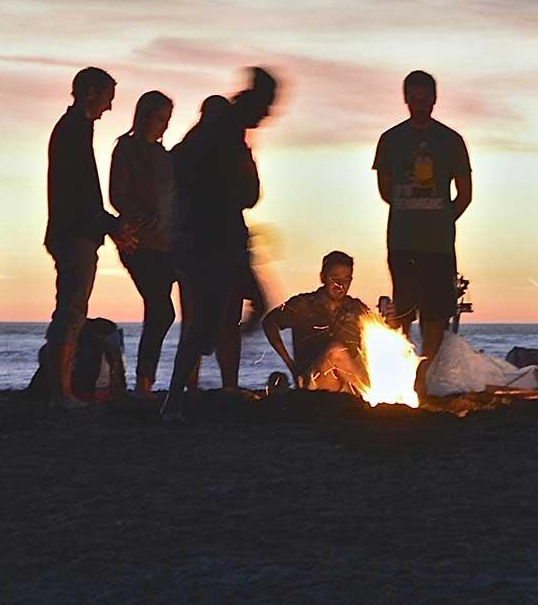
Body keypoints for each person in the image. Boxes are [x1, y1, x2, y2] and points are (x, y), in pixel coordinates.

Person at [161, 68, 278, 419]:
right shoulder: (225, 132)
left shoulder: (220, 133)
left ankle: (178, 397)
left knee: (216, 319)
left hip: (210, 239)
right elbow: (245, 193)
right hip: (212, 240)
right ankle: (175, 399)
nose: (269, 115)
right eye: (268, 106)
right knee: (206, 324)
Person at [43, 67, 137, 407]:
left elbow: (83, 193)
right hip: (74, 234)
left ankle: (62, 391)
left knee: (72, 310)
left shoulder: (76, 130)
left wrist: (107, 226)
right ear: (92, 93)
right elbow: (79, 193)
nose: (109, 108)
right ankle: (61, 393)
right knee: (70, 312)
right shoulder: (73, 131)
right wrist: (109, 225)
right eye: (108, 99)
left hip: (76, 231)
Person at [372, 70, 471, 394]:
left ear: (434, 98)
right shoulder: (390, 139)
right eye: (413, 97)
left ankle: (425, 379)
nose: (419, 103)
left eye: (425, 97)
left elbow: (465, 193)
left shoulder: (451, 140)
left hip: (438, 244)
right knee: (402, 310)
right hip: (402, 240)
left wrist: (443, 217)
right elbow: (385, 189)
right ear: (405, 98)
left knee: (436, 314)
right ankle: (401, 373)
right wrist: (411, 207)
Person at [109, 90, 177, 395]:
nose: (163, 125)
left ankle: (147, 382)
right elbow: (117, 195)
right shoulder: (126, 149)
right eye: (161, 118)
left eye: (167, 120)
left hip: (167, 243)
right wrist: (147, 221)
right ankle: (143, 383)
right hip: (139, 242)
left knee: (161, 310)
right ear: (145, 116)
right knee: (161, 310)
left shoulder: (163, 156)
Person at [262, 251, 371, 393]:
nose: (340, 285)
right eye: (334, 278)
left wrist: (390, 317)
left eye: (346, 279)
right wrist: (291, 365)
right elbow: (269, 322)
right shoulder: (303, 305)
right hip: (315, 382)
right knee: (336, 352)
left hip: (348, 384)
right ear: (323, 277)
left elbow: (383, 333)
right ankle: (375, 395)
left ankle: (369, 394)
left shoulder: (356, 308)